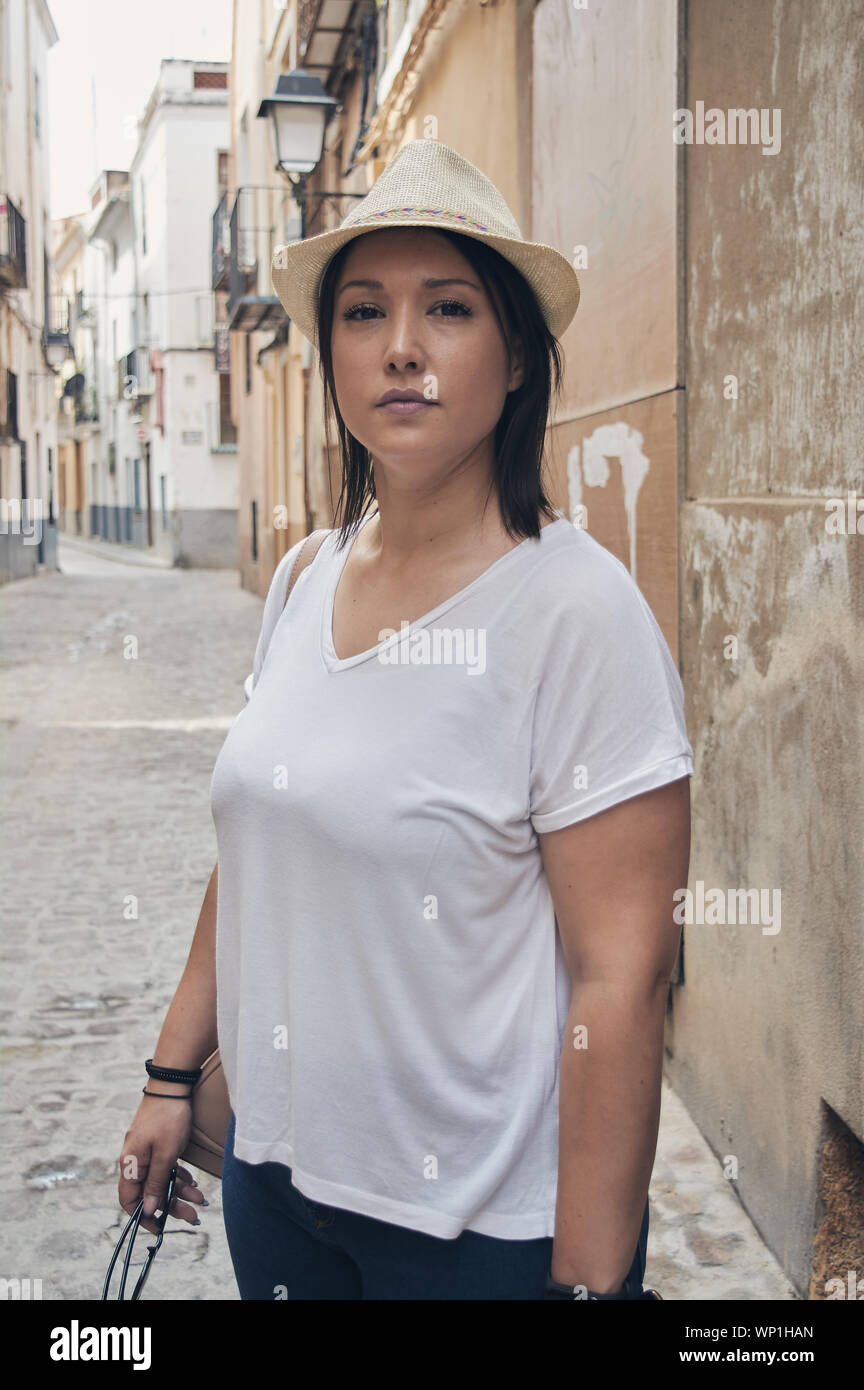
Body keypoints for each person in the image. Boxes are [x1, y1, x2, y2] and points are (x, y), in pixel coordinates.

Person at [117, 138, 692, 1300]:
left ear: (520, 356)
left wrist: (586, 1284)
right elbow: (256, 850)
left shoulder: (575, 611)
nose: (403, 348)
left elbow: (620, 979)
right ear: (329, 350)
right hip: (279, 1195)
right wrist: (173, 1075)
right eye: (365, 311)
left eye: (450, 309)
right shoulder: (303, 580)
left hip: (483, 1232)